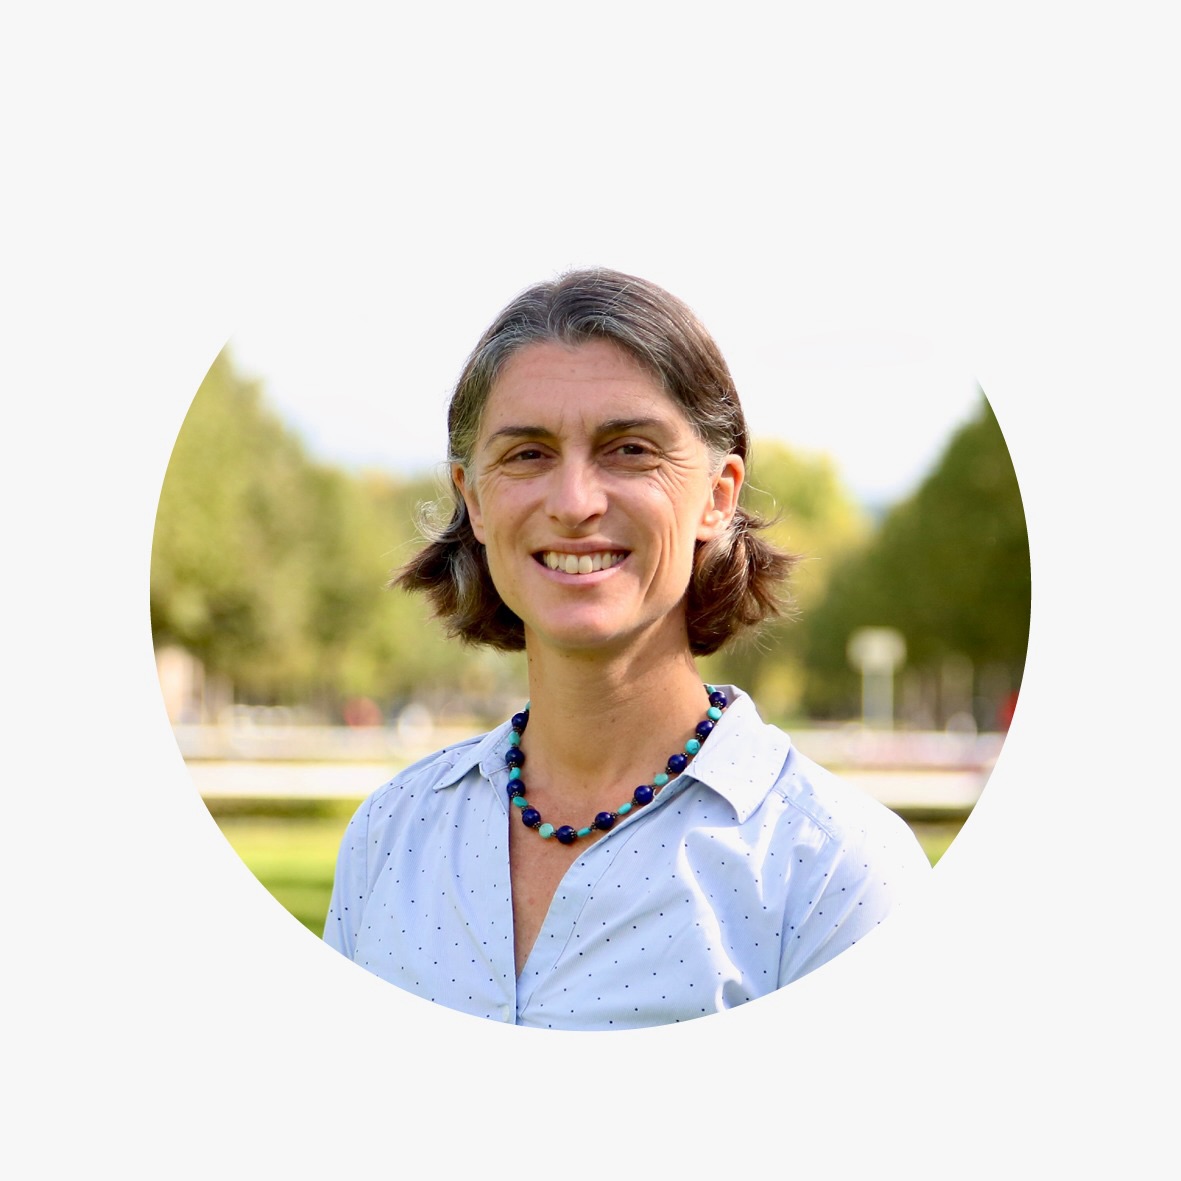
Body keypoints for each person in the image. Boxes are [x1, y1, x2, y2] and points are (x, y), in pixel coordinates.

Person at [323, 268, 930, 1029]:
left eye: (630, 449)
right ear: (472, 498)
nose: (575, 502)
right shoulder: (389, 837)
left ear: (718, 495)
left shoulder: (837, 870)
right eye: (527, 454)